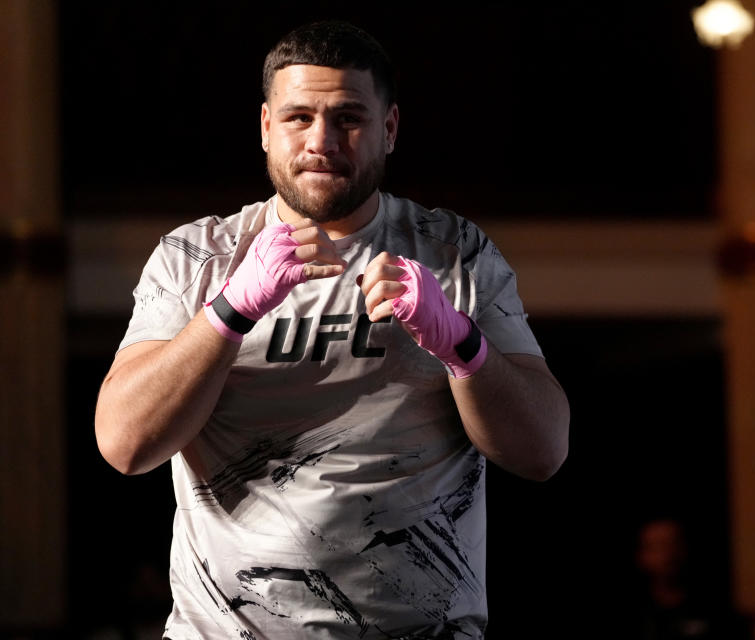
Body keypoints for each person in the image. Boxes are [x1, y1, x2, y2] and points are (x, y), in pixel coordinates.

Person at [94, 20, 569, 639]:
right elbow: (125, 445)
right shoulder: (195, 258)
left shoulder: (456, 254)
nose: (322, 141)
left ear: (389, 129)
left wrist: (464, 345)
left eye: (349, 117)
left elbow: (543, 452)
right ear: (266, 127)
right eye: (298, 118)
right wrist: (229, 311)